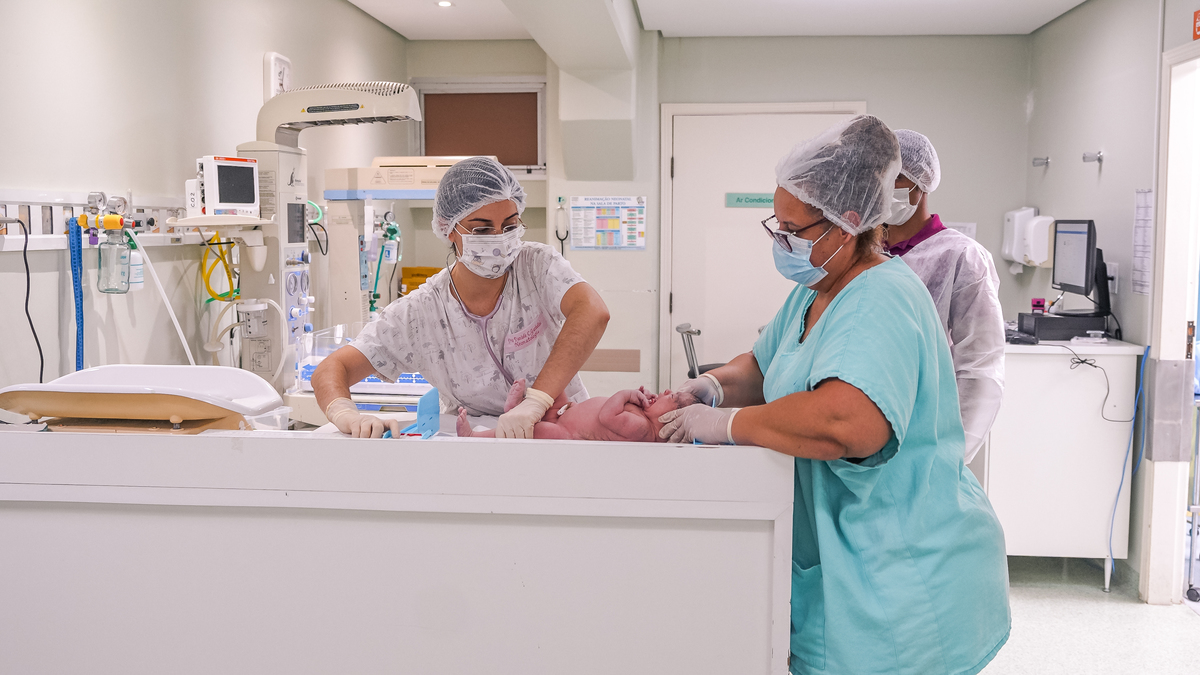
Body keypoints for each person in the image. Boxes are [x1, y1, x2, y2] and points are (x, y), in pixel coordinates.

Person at [661, 116, 1010, 674]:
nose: (781, 240)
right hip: (848, 564)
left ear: (846, 225)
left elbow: (845, 424)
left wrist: (727, 425)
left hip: (901, 574)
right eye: (776, 224)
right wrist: (712, 386)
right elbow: (764, 363)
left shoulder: (881, 296)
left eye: (793, 229)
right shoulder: (816, 289)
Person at [312, 157, 610, 439]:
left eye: (509, 226)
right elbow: (331, 369)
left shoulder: (536, 266)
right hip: (477, 445)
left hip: (563, 429)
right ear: (449, 229)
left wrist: (537, 401)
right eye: (482, 229)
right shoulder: (421, 313)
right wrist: (346, 414)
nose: (499, 237)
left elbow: (593, 311)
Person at [880, 129, 1005, 463]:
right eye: (876, 178)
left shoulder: (962, 257)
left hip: (927, 430)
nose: (882, 188)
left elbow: (980, 366)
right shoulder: (861, 252)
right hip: (864, 424)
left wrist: (952, 455)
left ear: (920, 183)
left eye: (894, 178)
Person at [456, 379, 699, 442]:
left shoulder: (642, 428)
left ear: (669, 419)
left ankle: (475, 435)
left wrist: (626, 394)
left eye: (672, 397)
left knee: (533, 431)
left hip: (565, 432)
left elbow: (607, 415)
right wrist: (638, 397)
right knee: (554, 387)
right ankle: (519, 409)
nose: (667, 391)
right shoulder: (643, 416)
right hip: (567, 411)